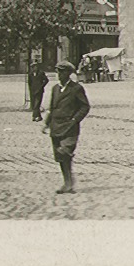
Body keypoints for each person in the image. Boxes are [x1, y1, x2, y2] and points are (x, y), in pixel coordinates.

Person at [42, 61, 90, 194]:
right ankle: (67, 182)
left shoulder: (76, 88)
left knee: (65, 152)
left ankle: (69, 182)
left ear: (69, 74)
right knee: (60, 157)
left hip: (70, 128)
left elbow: (85, 106)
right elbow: (52, 108)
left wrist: (75, 120)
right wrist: (46, 123)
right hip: (56, 127)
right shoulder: (55, 89)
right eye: (58, 72)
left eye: (62, 72)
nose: (59, 75)